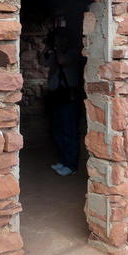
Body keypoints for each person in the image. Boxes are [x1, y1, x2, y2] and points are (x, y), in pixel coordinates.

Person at [44, 16, 82, 176]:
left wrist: (58, 48)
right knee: (58, 130)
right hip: (57, 95)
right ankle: (63, 161)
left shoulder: (74, 52)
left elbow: (61, 61)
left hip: (69, 96)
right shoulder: (56, 50)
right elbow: (44, 63)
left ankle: (71, 165)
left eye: (61, 39)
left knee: (69, 131)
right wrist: (47, 49)